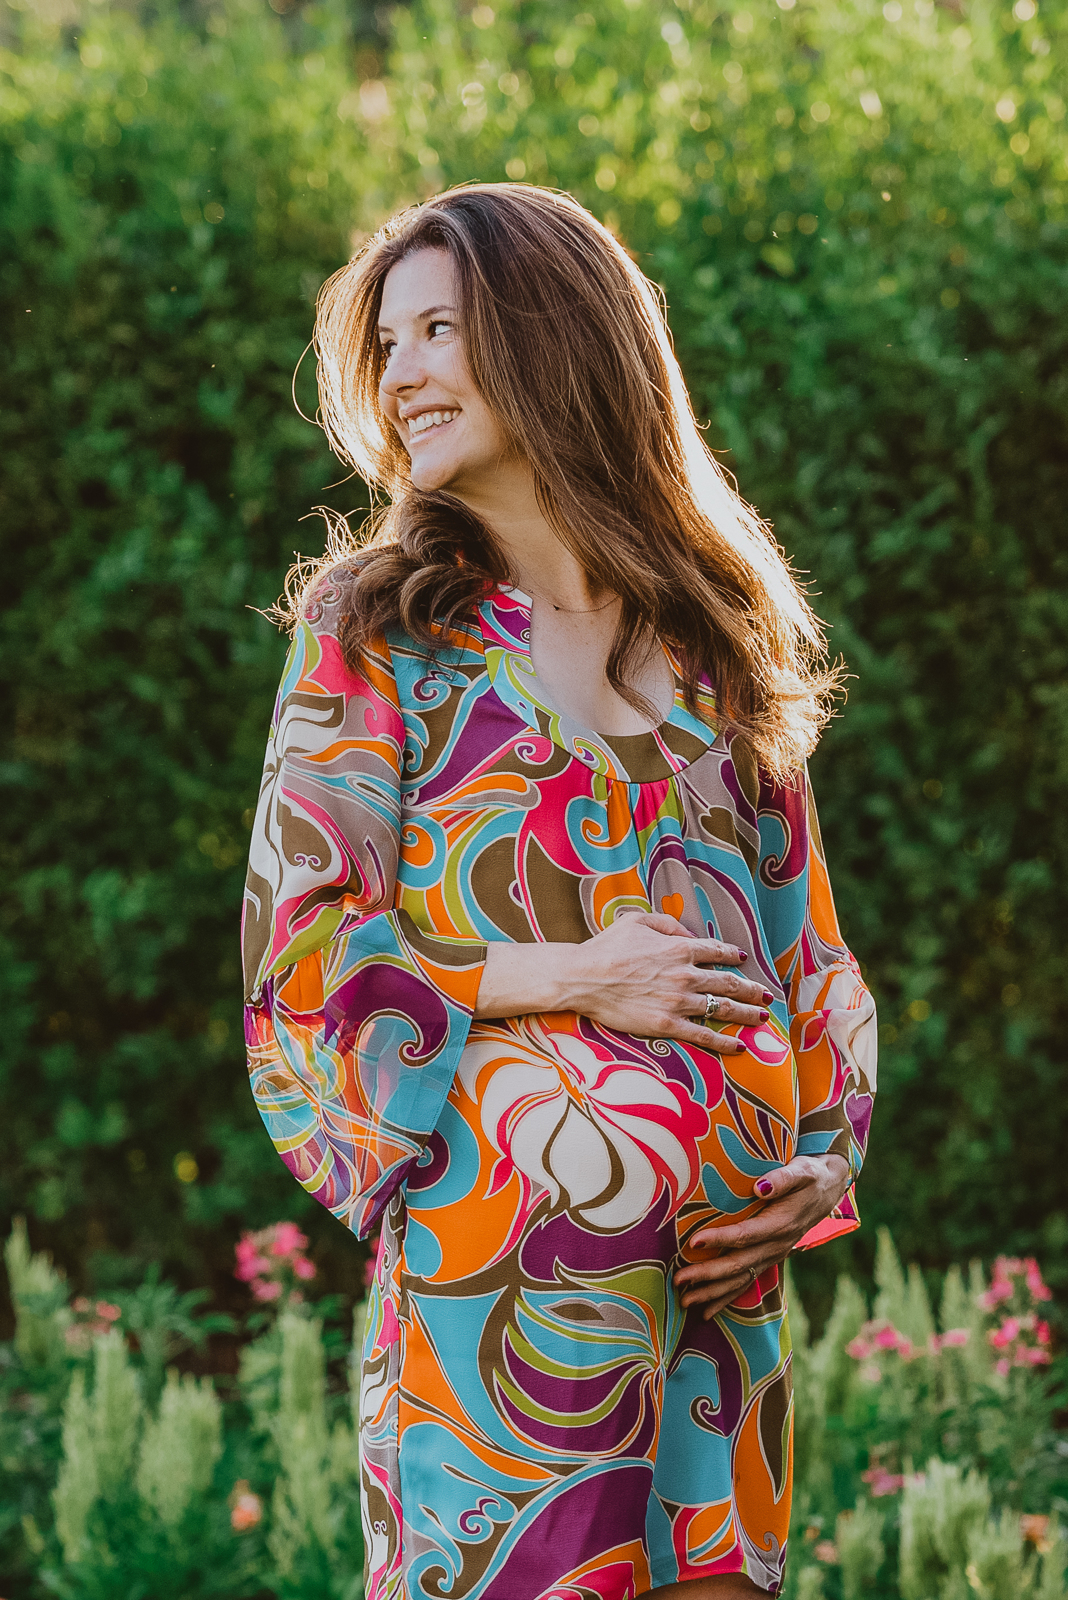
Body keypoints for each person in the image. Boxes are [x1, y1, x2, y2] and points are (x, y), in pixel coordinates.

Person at [242, 184, 877, 1600]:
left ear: (552, 335)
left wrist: (824, 1167)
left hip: (721, 1312)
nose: (399, 376)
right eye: (386, 343)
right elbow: (304, 956)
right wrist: (577, 975)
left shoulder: (711, 640)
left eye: (439, 331)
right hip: (504, 1308)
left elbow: (810, 952)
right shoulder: (375, 637)